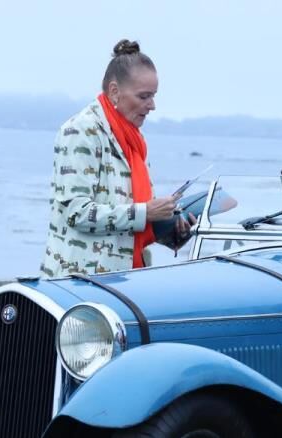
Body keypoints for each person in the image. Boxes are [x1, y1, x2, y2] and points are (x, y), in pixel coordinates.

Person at [42, 40, 192, 278]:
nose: (152, 105)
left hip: (128, 279)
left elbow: (129, 222)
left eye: (153, 96)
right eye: (144, 96)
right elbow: (76, 213)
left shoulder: (134, 139)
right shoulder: (81, 131)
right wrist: (145, 212)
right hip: (80, 284)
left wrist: (173, 229)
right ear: (114, 91)